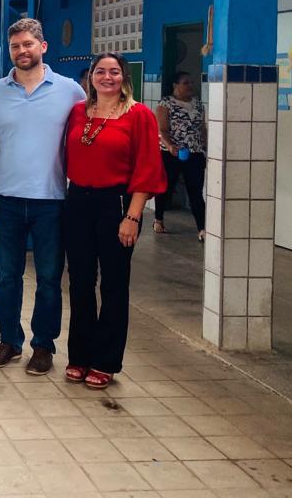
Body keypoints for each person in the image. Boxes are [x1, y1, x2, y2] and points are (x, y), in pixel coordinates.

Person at [0, 18, 86, 375]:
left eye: (28, 44)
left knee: (50, 278)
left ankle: (43, 346)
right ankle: (9, 341)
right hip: (6, 198)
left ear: (43, 46)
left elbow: (84, 137)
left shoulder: (71, 91)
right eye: (15, 46)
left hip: (51, 200)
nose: (22, 51)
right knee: (7, 276)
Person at [63, 53, 166, 389]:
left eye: (114, 72)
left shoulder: (140, 116)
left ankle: (105, 360)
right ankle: (79, 354)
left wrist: (133, 217)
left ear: (124, 77)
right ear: (91, 76)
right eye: (100, 71)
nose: (107, 77)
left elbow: (148, 168)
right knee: (79, 282)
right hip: (78, 201)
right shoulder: (79, 112)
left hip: (117, 203)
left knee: (113, 284)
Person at [154, 71, 207, 240]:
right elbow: (162, 130)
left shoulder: (198, 105)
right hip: (171, 154)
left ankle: (202, 229)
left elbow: (202, 128)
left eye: (191, 82)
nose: (190, 86)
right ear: (175, 86)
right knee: (166, 187)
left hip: (195, 153)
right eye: (186, 83)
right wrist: (170, 146)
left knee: (196, 191)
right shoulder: (166, 104)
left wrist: (206, 147)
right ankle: (158, 218)